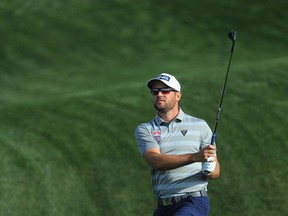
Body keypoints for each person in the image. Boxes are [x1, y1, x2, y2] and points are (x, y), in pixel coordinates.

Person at [135, 73, 220, 216]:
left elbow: (216, 173)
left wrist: (210, 168)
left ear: (178, 96)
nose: (159, 94)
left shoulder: (200, 125)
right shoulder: (145, 129)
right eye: (155, 91)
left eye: (165, 90)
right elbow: (156, 161)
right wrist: (195, 157)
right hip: (163, 207)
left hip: (193, 201)